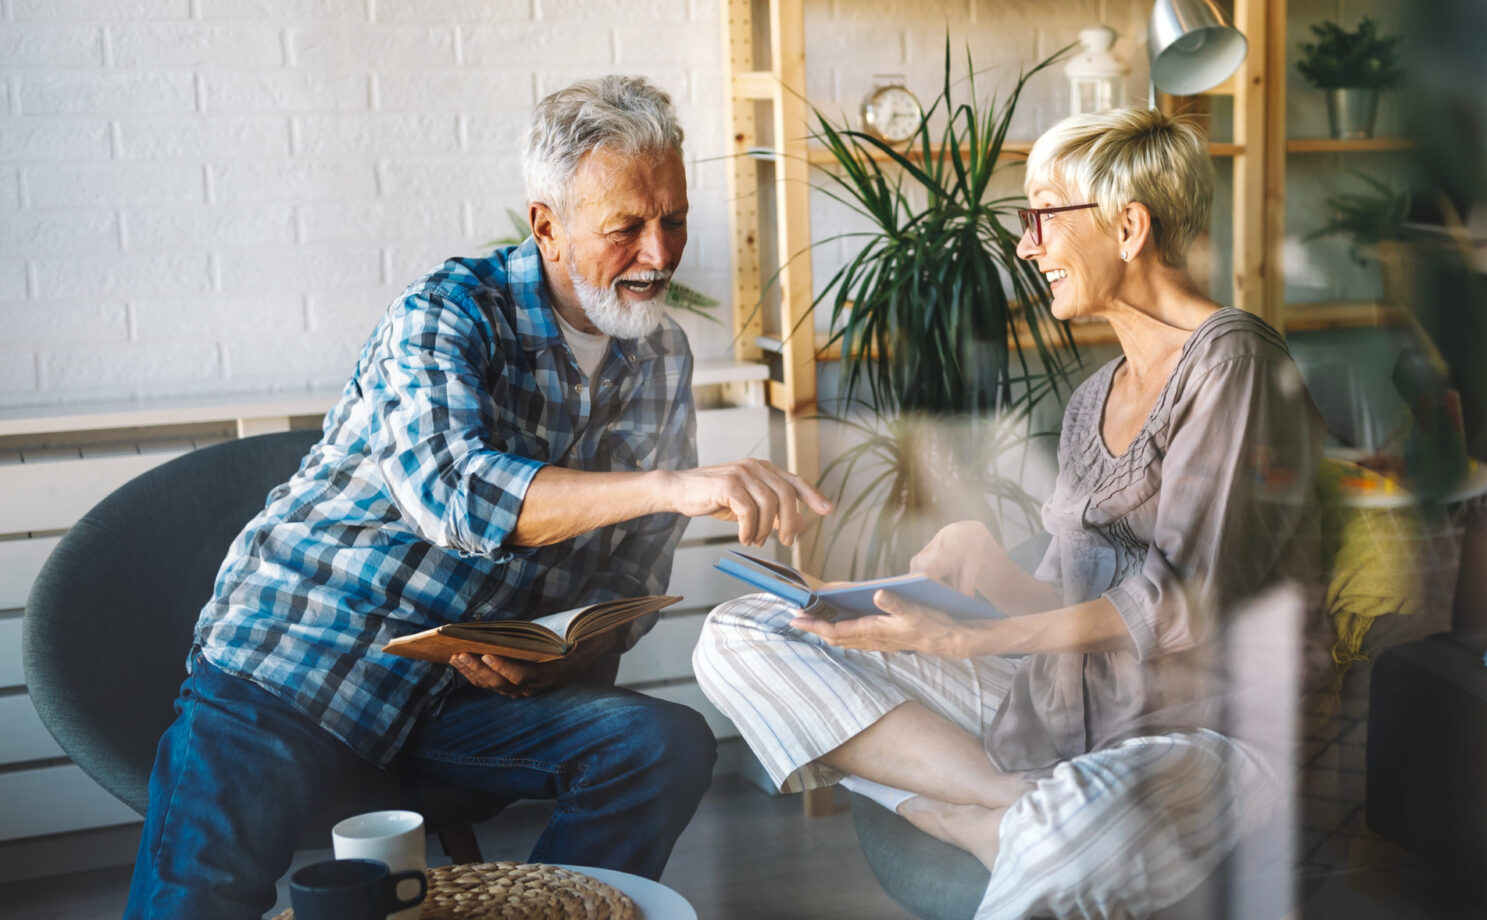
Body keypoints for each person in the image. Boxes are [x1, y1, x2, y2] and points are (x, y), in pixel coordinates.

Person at [124, 75, 832, 920]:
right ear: (547, 226)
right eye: (626, 228)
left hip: (459, 709)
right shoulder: (446, 315)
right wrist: (675, 486)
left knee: (660, 746)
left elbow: (627, 591)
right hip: (299, 670)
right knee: (195, 905)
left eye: (673, 219)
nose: (659, 253)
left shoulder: (663, 359)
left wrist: (551, 659)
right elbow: (458, 495)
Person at [694, 106, 1328, 919]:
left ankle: (969, 815)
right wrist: (992, 575)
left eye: (1041, 216)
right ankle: (997, 801)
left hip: (1202, 731)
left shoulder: (1232, 361)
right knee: (747, 631)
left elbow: (1183, 599)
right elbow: (1071, 604)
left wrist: (974, 636)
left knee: (1061, 832)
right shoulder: (1094, 395)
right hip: (1066, 708)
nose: (1027, 246)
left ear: (1128, 226)